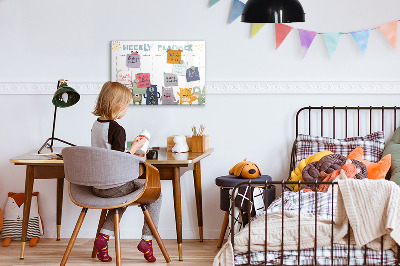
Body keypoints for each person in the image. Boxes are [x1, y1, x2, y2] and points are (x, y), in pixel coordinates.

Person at [91, 81, 161, 263]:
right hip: (114, 186)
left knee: (122, 198)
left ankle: (103, 238)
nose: (126, 109)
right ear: (117, 105)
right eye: (126, 105)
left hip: (97, 186)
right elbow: (118, 161)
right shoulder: (117, 129)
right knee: (156, 194)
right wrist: (135, 149)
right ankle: (147, 240)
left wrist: (130, 149)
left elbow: (108, 154)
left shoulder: (96, 125)